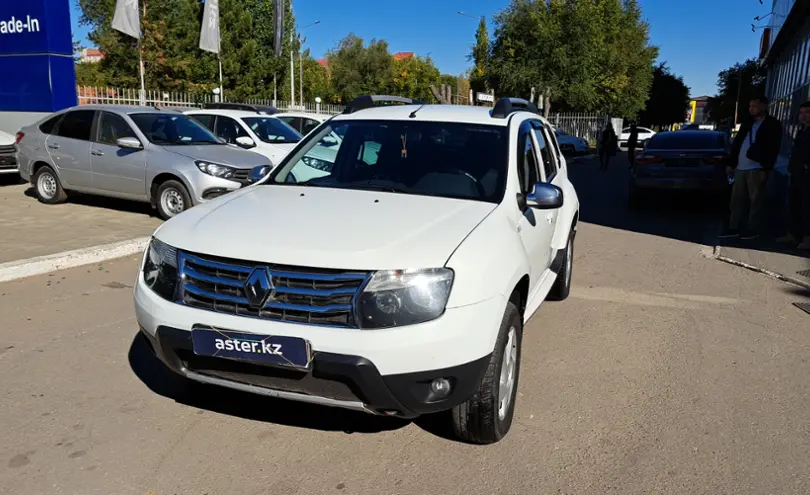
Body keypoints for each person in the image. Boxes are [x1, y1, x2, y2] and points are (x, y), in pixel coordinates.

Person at [718, 96, 783, 240]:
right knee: (736, 200)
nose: (751, 108)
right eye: (750, 106)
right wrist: (731, 163)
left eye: (755, 106)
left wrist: (766, 168)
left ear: (764, 107)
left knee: (756, 200)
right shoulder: (747, 123)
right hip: (741, 167)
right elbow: (737, 144)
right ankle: (733, 227)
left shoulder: (772, 124)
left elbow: (773, 148)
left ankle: (753, 228)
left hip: (757, 167)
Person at [776, 101, 810, 250]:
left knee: (806, 207)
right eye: (801, 112)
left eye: (807, 112)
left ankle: (807, 238)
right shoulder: (802, 130)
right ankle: (793, 234)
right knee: (794, 204)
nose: (803, 115)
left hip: (807, 176)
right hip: (796, 174)